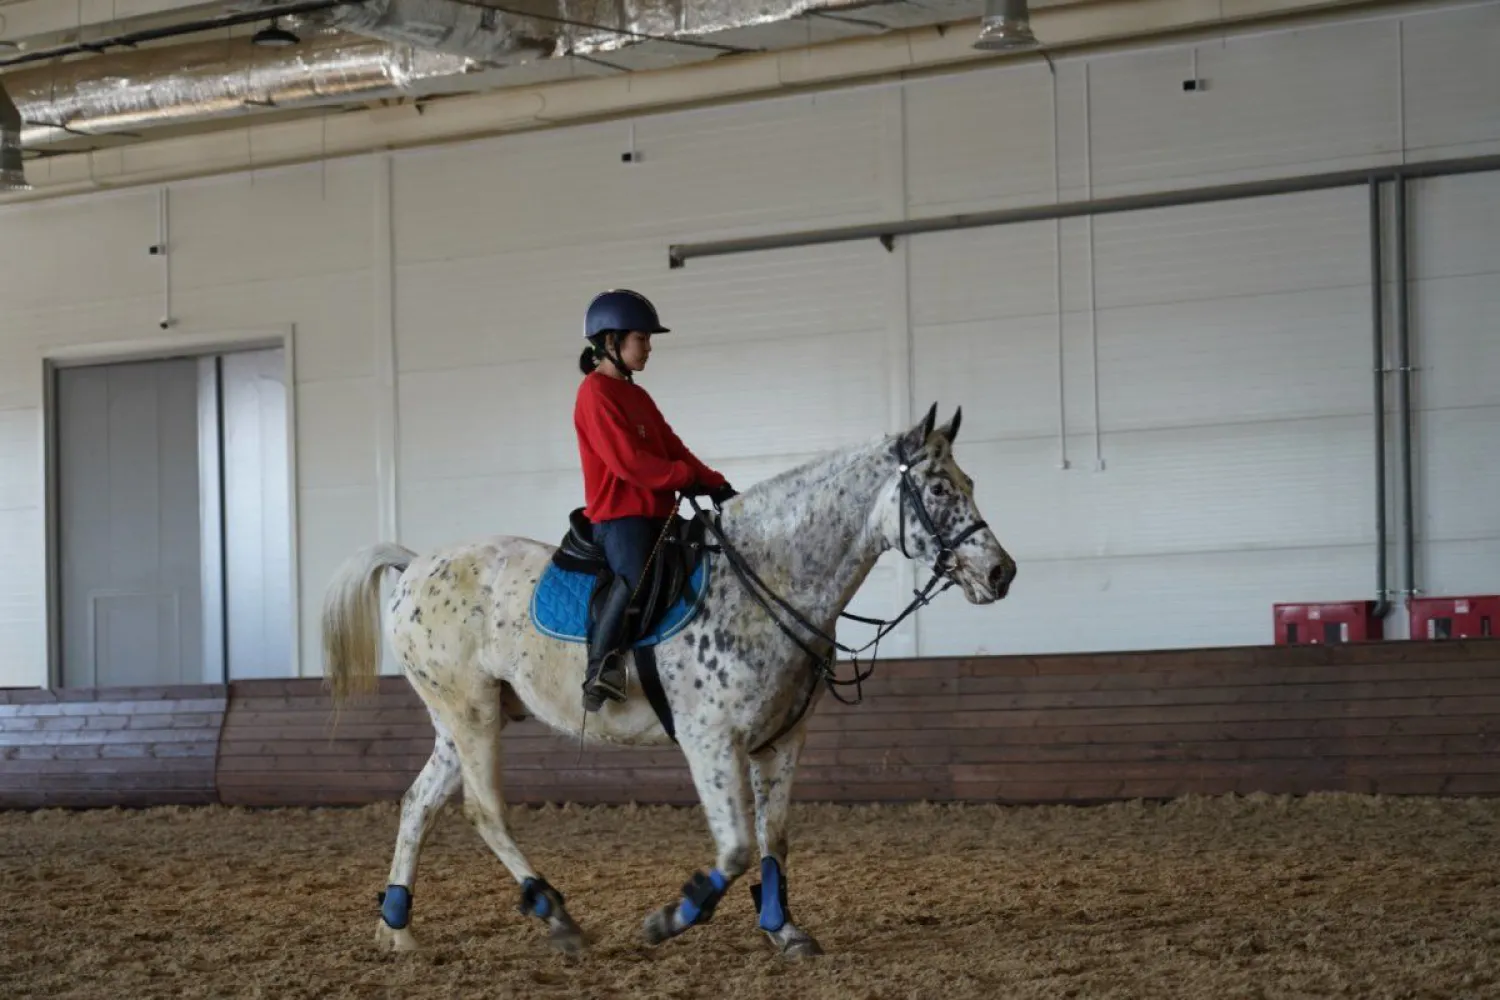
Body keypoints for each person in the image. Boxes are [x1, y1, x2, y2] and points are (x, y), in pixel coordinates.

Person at [573, 289, 737, 711]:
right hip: (620, 517)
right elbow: (630, 463)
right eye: (641, 339)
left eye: (648, 340)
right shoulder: (594, 393)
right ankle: (601, 666)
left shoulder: (638, 396)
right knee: (634, 575)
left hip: (659, 513)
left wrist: (716, 484)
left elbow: (673, 448)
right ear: (611, 341)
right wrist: (683, 478)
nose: (648, 348)